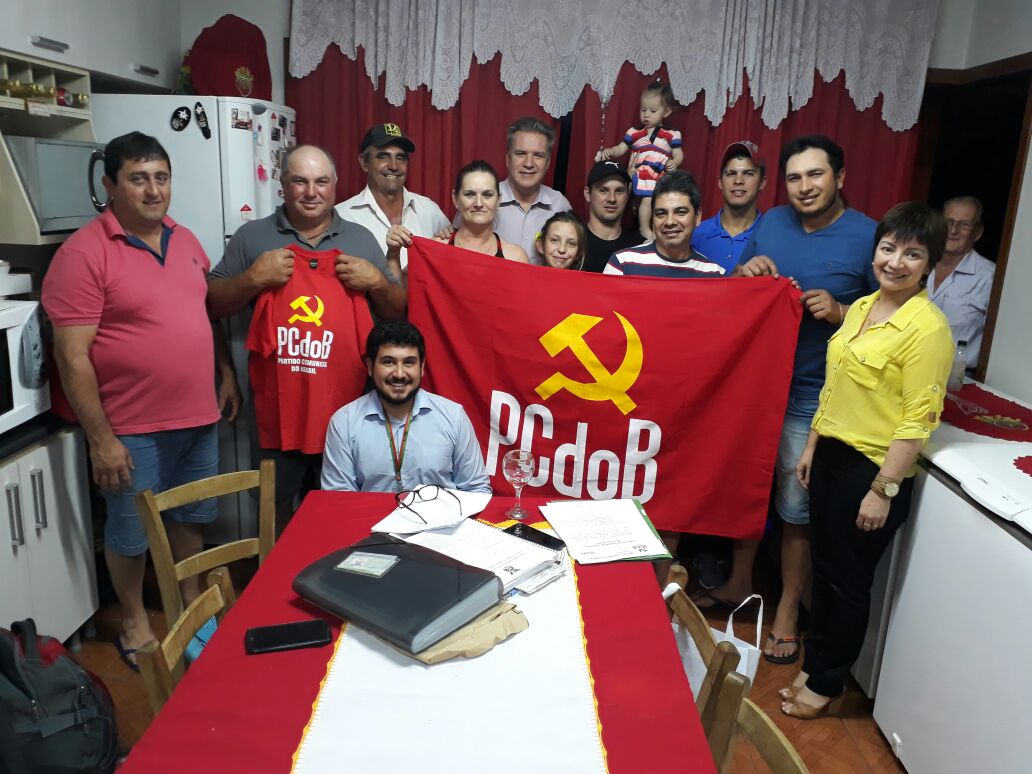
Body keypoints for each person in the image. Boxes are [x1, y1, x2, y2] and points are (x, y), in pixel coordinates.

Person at [41, 132, 235, 667]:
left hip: (197, 415)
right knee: (130, 532)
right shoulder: (83, 254)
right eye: (138, 179)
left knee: (191, 517)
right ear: (110, 185)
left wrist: (225, 373)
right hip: (131, 427)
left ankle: (191, 606)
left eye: (161, 177)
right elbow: (72, 357)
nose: (153, 190)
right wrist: (102, 441)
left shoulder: (185, 239)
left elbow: (203, 315)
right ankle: (132, 620)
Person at [696, 135, 878, 667]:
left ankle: (788, 611)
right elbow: (737, 293)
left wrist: (843, 313)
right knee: (746, 486)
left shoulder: (869, 236)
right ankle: (740, 581)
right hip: (757, 384)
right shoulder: (772, 223)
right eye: (795, 177)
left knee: (795, 508)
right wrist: (745, 273)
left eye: (815, 175)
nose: (805, 187)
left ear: (840, 178)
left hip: (815, 396)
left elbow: (895, 317)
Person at [781, 202, 954, 718]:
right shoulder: (860, 307)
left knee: (848, 581)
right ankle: (816, 665)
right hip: (832, 454)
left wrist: (883, 490)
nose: (895, 262)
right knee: (826, 568)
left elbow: (917, 421)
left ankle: (827, 682)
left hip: (872, 469)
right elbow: (834, 386)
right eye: (888, 248)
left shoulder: (928, 330)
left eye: (912, 254)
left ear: (930, 263)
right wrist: (812, 445)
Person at [206, 144, 405, 520]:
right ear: (282, 184)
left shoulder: (360, 239)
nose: (311, 192)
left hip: (346, 412)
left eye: (321, 182)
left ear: (336, 183)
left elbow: (397, 316)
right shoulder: (252, 237)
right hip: (278, 413)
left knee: (341, 513)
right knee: (275, 513)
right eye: (300, 181)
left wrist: (377, 282)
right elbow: (210, 304)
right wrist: (253, 279)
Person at [322, 321, 492, 493]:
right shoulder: (344, 423)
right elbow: (338, 499)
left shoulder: (453, 416)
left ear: (422, 367)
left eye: (409, 362)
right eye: (388, 362)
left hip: (443, 512)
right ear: (370, 367)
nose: (399, 374)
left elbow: (477, 490)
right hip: (370, 512)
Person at [336, 123, 450, 279]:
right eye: (383, 156)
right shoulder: (341, 216)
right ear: (364, 162)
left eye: (400, 157)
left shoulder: (429, 210)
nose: (394, 166)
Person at [596, 80, 683, 240]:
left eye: (653, 110)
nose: (646, 115)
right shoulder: (634, 132)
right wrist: (611, 151)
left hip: (659, 175)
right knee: (632, 199)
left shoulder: (672, 134)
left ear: (666, 111)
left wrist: (675, 162)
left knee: (656, 203)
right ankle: (640, 228)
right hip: (638, 174)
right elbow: (621, 148)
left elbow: (678, 154)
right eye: (643, 110)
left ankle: (649, 228)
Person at [604, 170, 724, 278]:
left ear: (697, 216)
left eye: (680, 212)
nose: (670, 222)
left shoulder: (714, 274)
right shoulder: (622, 264)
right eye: (661, 213)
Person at [928, 196, 995, 370]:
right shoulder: (918, 264)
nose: (953, 230)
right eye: (948, 222)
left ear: (977, 232)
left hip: (959, 377)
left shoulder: (990, 277)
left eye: (964, 225)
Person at [493, 116, 573, 263]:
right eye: (521, 153)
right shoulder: (483, 200)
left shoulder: (560, 205)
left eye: (538, 155)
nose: (529, 163)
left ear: (547, 163)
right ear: (508, 159)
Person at [429, 161, 530, 263]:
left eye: (487, 195)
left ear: (498, 200)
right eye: (470, 194)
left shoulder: (516, 258)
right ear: (455, 199)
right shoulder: (434, 249)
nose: (478, 203)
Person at [691, 140, 767, 274]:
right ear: (720, 182)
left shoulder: (772, 237)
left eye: (748, 173)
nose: (738, 181)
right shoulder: (694, 234)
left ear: (762, 182)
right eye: (731, 173)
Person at [581, 160, 643, 273]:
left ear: (627, 194)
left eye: (619, 191)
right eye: (603, 190)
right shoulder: (572, 243)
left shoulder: (640, 247)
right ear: (588, 194)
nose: (612, 199)